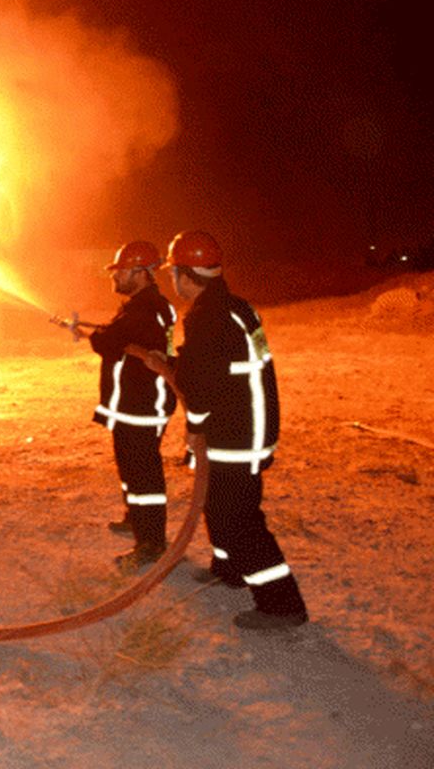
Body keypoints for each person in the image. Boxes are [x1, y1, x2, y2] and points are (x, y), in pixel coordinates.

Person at [164, 229, 308, 630]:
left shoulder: (205, 315)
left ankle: (281, 604)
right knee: (218, 504)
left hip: (235, 433)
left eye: (174, 272)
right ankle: (228, 570)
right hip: (251, 424)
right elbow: (219, 366)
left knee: (238, 518)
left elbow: (202, 385)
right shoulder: (237, 308)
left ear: (186, 274)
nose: (172, 281)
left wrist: (194, 427)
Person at [78, 241, 178, 572]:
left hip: (142, 406)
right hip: (138, 404)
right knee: (133, 469)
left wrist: (100, 336)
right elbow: (118, 335)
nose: (114, 277)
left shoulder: (142, 310)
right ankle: (135, 519)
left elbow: (108, 342)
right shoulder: (149, 306)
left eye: (120, 271)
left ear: (139, 273)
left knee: (143, 476)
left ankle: (150, 543)